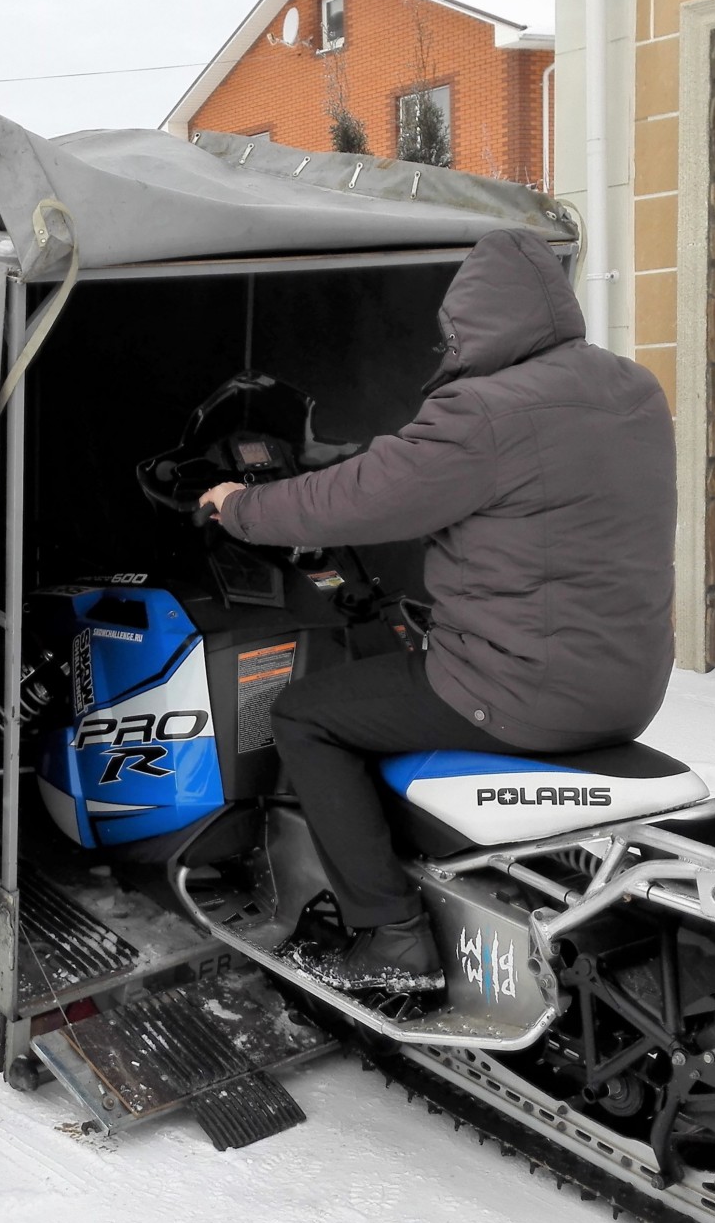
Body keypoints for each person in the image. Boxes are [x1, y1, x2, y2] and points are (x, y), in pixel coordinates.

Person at [198, 228, 676, 991]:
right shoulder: (629, 389)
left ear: (470, 321)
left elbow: (355, 500)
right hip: (630, 685)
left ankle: (389, 933)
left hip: (520, 688)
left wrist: (239, 506)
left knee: (305, 715)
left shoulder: (484, 412)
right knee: (397, 657)